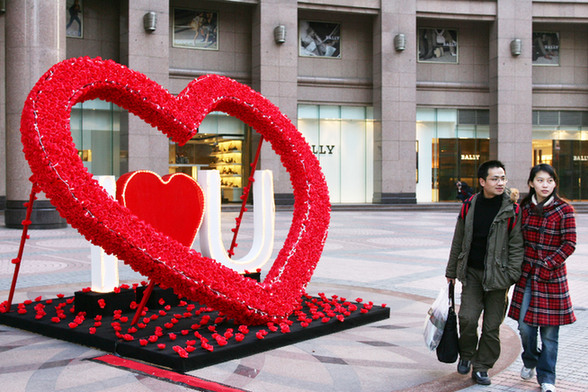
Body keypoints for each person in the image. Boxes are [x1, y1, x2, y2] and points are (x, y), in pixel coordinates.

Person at [445, 160, 524, 385]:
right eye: (495, 179)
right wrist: (451, 270)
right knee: (467, 319)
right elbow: (458, 239)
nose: (501, 183)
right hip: (472, 274)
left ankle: (482, 367)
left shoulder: (512, 208)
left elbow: (517, 245)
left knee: (491, 327)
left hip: (499, 278)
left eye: (503, 178)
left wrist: (511, 275)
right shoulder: (469, 205)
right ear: (482, 182)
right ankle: (467, 355)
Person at [507, 164, 576, 392]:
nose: (545, 185)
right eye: (540, 180)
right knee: (525, 327)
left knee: (549, 334)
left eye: (549, 181)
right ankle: (530, 359)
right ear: (531, 183)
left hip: (551, 277)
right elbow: (515, 241)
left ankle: (547, 378)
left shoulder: (564, 210)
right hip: (527, 276)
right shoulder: (523, 208)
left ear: (555, 183)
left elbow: (569, 243)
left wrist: (549, 263)